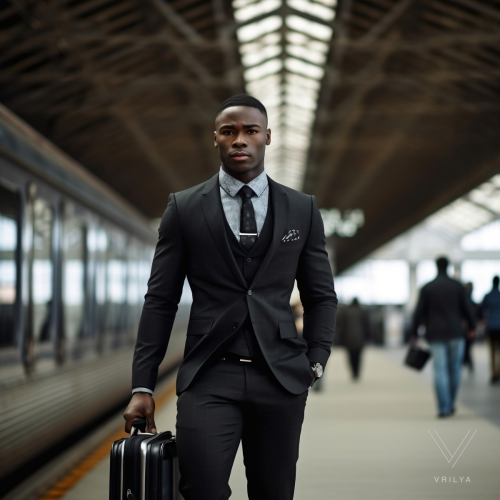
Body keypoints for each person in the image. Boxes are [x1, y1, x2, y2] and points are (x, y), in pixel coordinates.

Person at [123, 95, 338, 500]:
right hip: (209, 374)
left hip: (280, 378)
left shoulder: (302, 209)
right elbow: (160, 300)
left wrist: (316, 360)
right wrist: (143, 386)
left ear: (267, 137)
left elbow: (321, 295)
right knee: (201, 489)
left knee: (272, 492)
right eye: (229, 132)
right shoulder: (183, 208)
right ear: (216, 140)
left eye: (250, 131)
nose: (240, 139)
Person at [412, 256, 476, 418]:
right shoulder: (458, 286)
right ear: (448, 266)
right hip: (456, 333)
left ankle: (444, 408)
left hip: (435, 333)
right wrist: (472, 327)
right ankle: (451, 403)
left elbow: (418, 312)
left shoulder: (428, 288)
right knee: (455, 369)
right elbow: (467, 308)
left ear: (436, 266)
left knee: (439, 370)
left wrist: (413, 332)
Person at [336, 298, 369, 380]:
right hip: (360, 338)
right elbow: (367, 326)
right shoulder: (362, 312)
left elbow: (341, 326)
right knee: (358, 356)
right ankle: (357, 372)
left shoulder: (346, 312)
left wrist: (340, 338)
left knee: (350, 356)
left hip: (348, 338)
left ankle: (352, 373)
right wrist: (368, 337)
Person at [481, 276, 500, 383]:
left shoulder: (488, 296)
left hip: (491, 326)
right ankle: (499, 371)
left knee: (492, 350)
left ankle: (493, 373)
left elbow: (483, 310)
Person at [462, 282, 479, 373]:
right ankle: (467, 361)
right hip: (469, 329)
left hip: (466, 329)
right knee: (467, 347)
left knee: (466, 347)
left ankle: (466, 361)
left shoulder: (468, 303)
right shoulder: (472, 303)